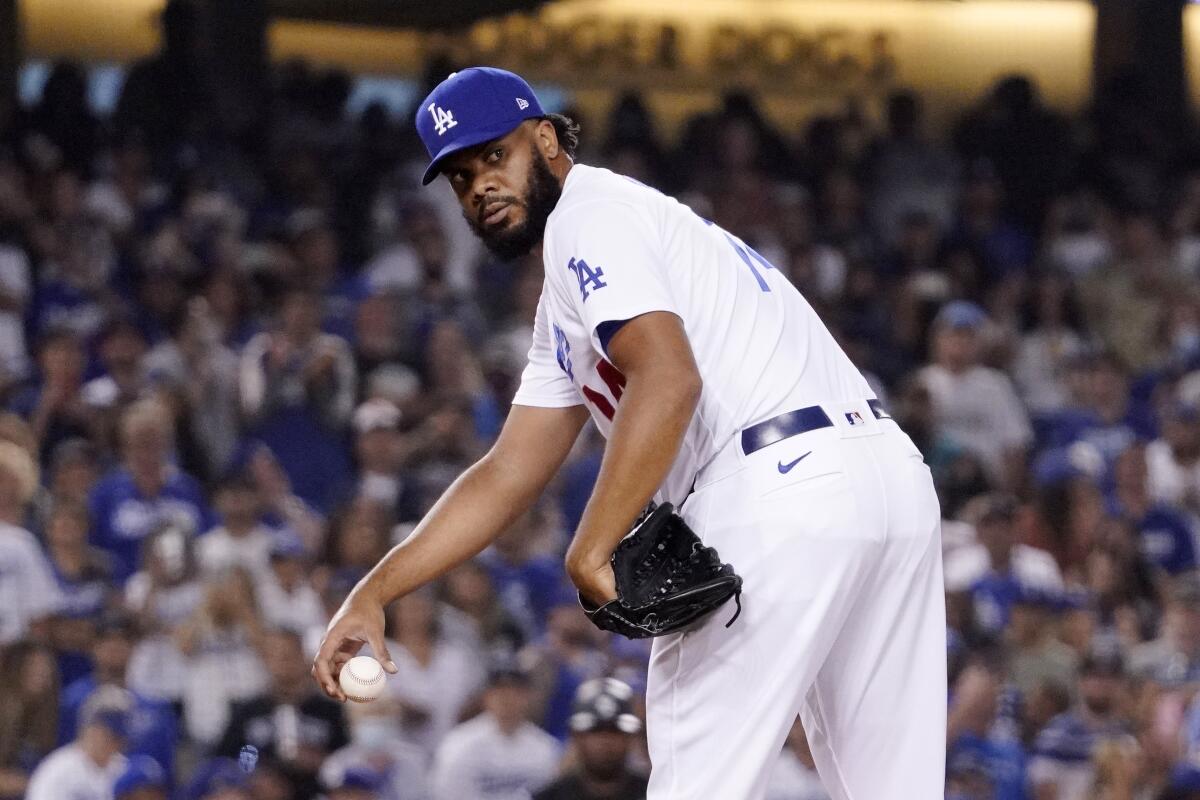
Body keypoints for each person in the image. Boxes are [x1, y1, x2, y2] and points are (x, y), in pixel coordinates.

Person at [315, 67, 946, 800]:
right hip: (886, 484)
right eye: (459, 177)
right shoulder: (584, 273)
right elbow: (507, 471)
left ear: (547, 139)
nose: (479, 186)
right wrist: (377, 587)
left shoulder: (591, 216)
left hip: (779, 491)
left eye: (494, 156)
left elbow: (669, 378)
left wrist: (593, 542)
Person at [429, 655, 561, 800]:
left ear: (526, 696)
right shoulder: (458, 745)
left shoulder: (545, 748)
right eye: (499, 691)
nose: (507, 699)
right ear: (486, 696)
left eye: (514, 691)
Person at [533, 677, 649, 800]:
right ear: (576, 737)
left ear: (630, 737)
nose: (606, 741)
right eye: (596, 731)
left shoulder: (655, 793)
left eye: (614, 731)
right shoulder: (549, 796)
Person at [25, 685, 132, 800]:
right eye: (111, 737)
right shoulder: (58, 770)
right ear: (90, 729)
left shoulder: (123, 769)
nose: (116, 745)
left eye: (120, 739)